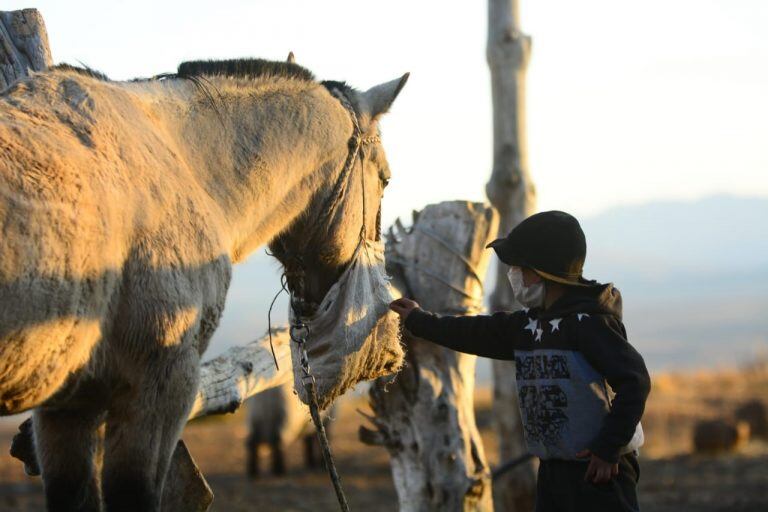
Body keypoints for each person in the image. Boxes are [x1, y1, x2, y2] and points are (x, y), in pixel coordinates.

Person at [389, 210, 650, 512]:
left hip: (600, 469)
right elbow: (474, 332)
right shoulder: (527, 325)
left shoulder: (588, 323)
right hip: (554, 468)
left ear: (540, 272)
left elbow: (635, 382)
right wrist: (419, 320)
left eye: (518, 268)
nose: (512, 275)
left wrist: (608, 448)